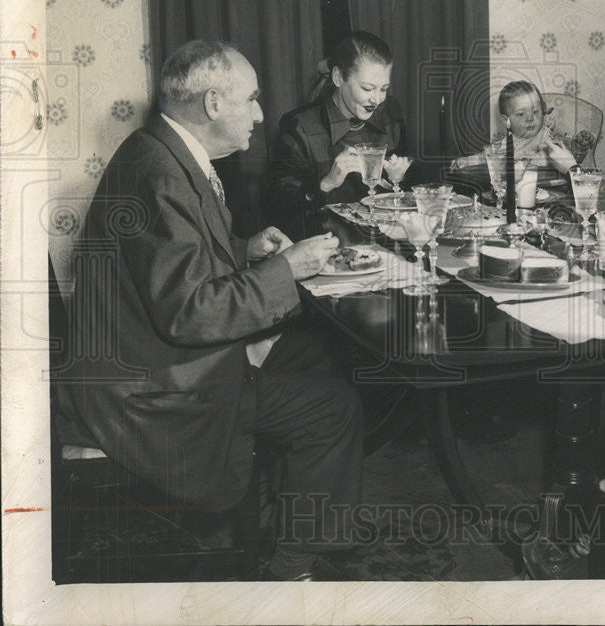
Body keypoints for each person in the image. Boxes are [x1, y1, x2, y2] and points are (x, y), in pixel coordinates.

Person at [55, 40, 364, 581]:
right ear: (215, 103)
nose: (262, 113)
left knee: (319, 355)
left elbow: (171, 264)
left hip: (140, 359)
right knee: (332, 406)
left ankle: (290, 508)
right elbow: (190, 312)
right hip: (149, 392)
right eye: (253, 99)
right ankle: (292, 567)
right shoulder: (160, 175)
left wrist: (243, 250)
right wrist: (286, 269)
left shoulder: (159, 150)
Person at [265, 31, 418, 240]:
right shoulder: (299, 127)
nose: (376, 100)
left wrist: (398, 179)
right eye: (367, 88)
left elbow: (415, 197)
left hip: (388, 246)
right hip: (327, 252)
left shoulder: (390, 114)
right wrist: (326, 183)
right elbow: (279, 212)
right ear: (338, 78)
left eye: (384, 89)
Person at [449, 80, 577, 173]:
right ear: (506, 120)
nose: (530, 118)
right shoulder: (503, 144)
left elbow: (571, 157)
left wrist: (580, 144)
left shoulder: (548, 137)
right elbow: (484, 158)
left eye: (535, 112)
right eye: (521, 114)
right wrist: (467, 161)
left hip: (552, 196)